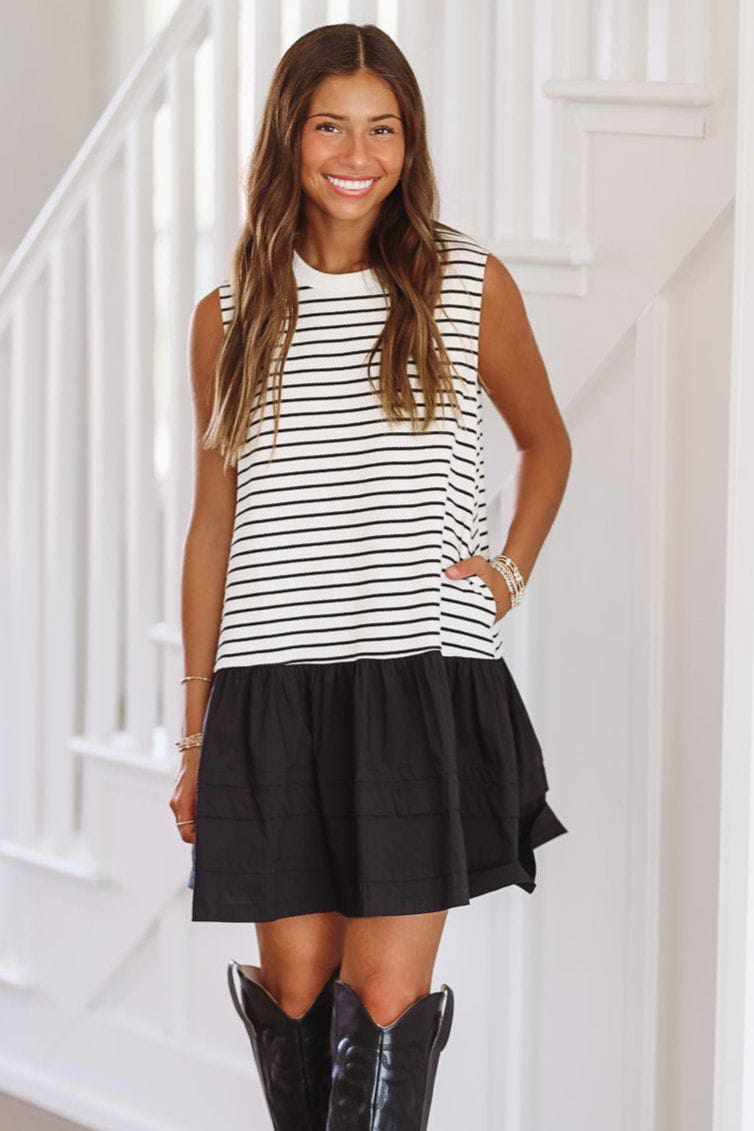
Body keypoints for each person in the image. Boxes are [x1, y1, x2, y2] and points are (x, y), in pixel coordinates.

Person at [169, 21, 570, 1130]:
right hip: (273, 686)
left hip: (415, 680)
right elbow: (213, 526)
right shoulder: (229, 317)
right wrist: (197, 734)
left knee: (384, 996)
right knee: (297, 992)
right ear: (288, 140)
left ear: (409, 142)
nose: (358, 154)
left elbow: (546, 441)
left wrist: (508, 569)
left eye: (383, 129)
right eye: (331, 127)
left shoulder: (464, 283)